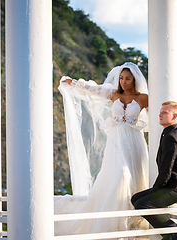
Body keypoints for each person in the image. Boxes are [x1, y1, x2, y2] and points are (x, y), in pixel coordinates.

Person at [54, 62, 149, 237]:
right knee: (120, 175)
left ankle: (131, 224)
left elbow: (160, 114)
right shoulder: (113, 94)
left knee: (134, 179)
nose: (123, 81)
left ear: (134, 80)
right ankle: (114, 225)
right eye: (121, 78)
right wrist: (73, 83)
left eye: (127, 78)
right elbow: (92, 89)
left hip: (134, 143)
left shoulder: (144, 98)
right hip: (116, 142)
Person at [131, 101, 177, 240]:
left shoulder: (171, 137)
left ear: (174, 116)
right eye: (160, 111)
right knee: (135, 198)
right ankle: (169, 235)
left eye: (164, 112)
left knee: (142, 204)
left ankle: (175, 230)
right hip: (174, 183)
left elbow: (166, 170)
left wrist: (156, 189)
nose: (160, 114)